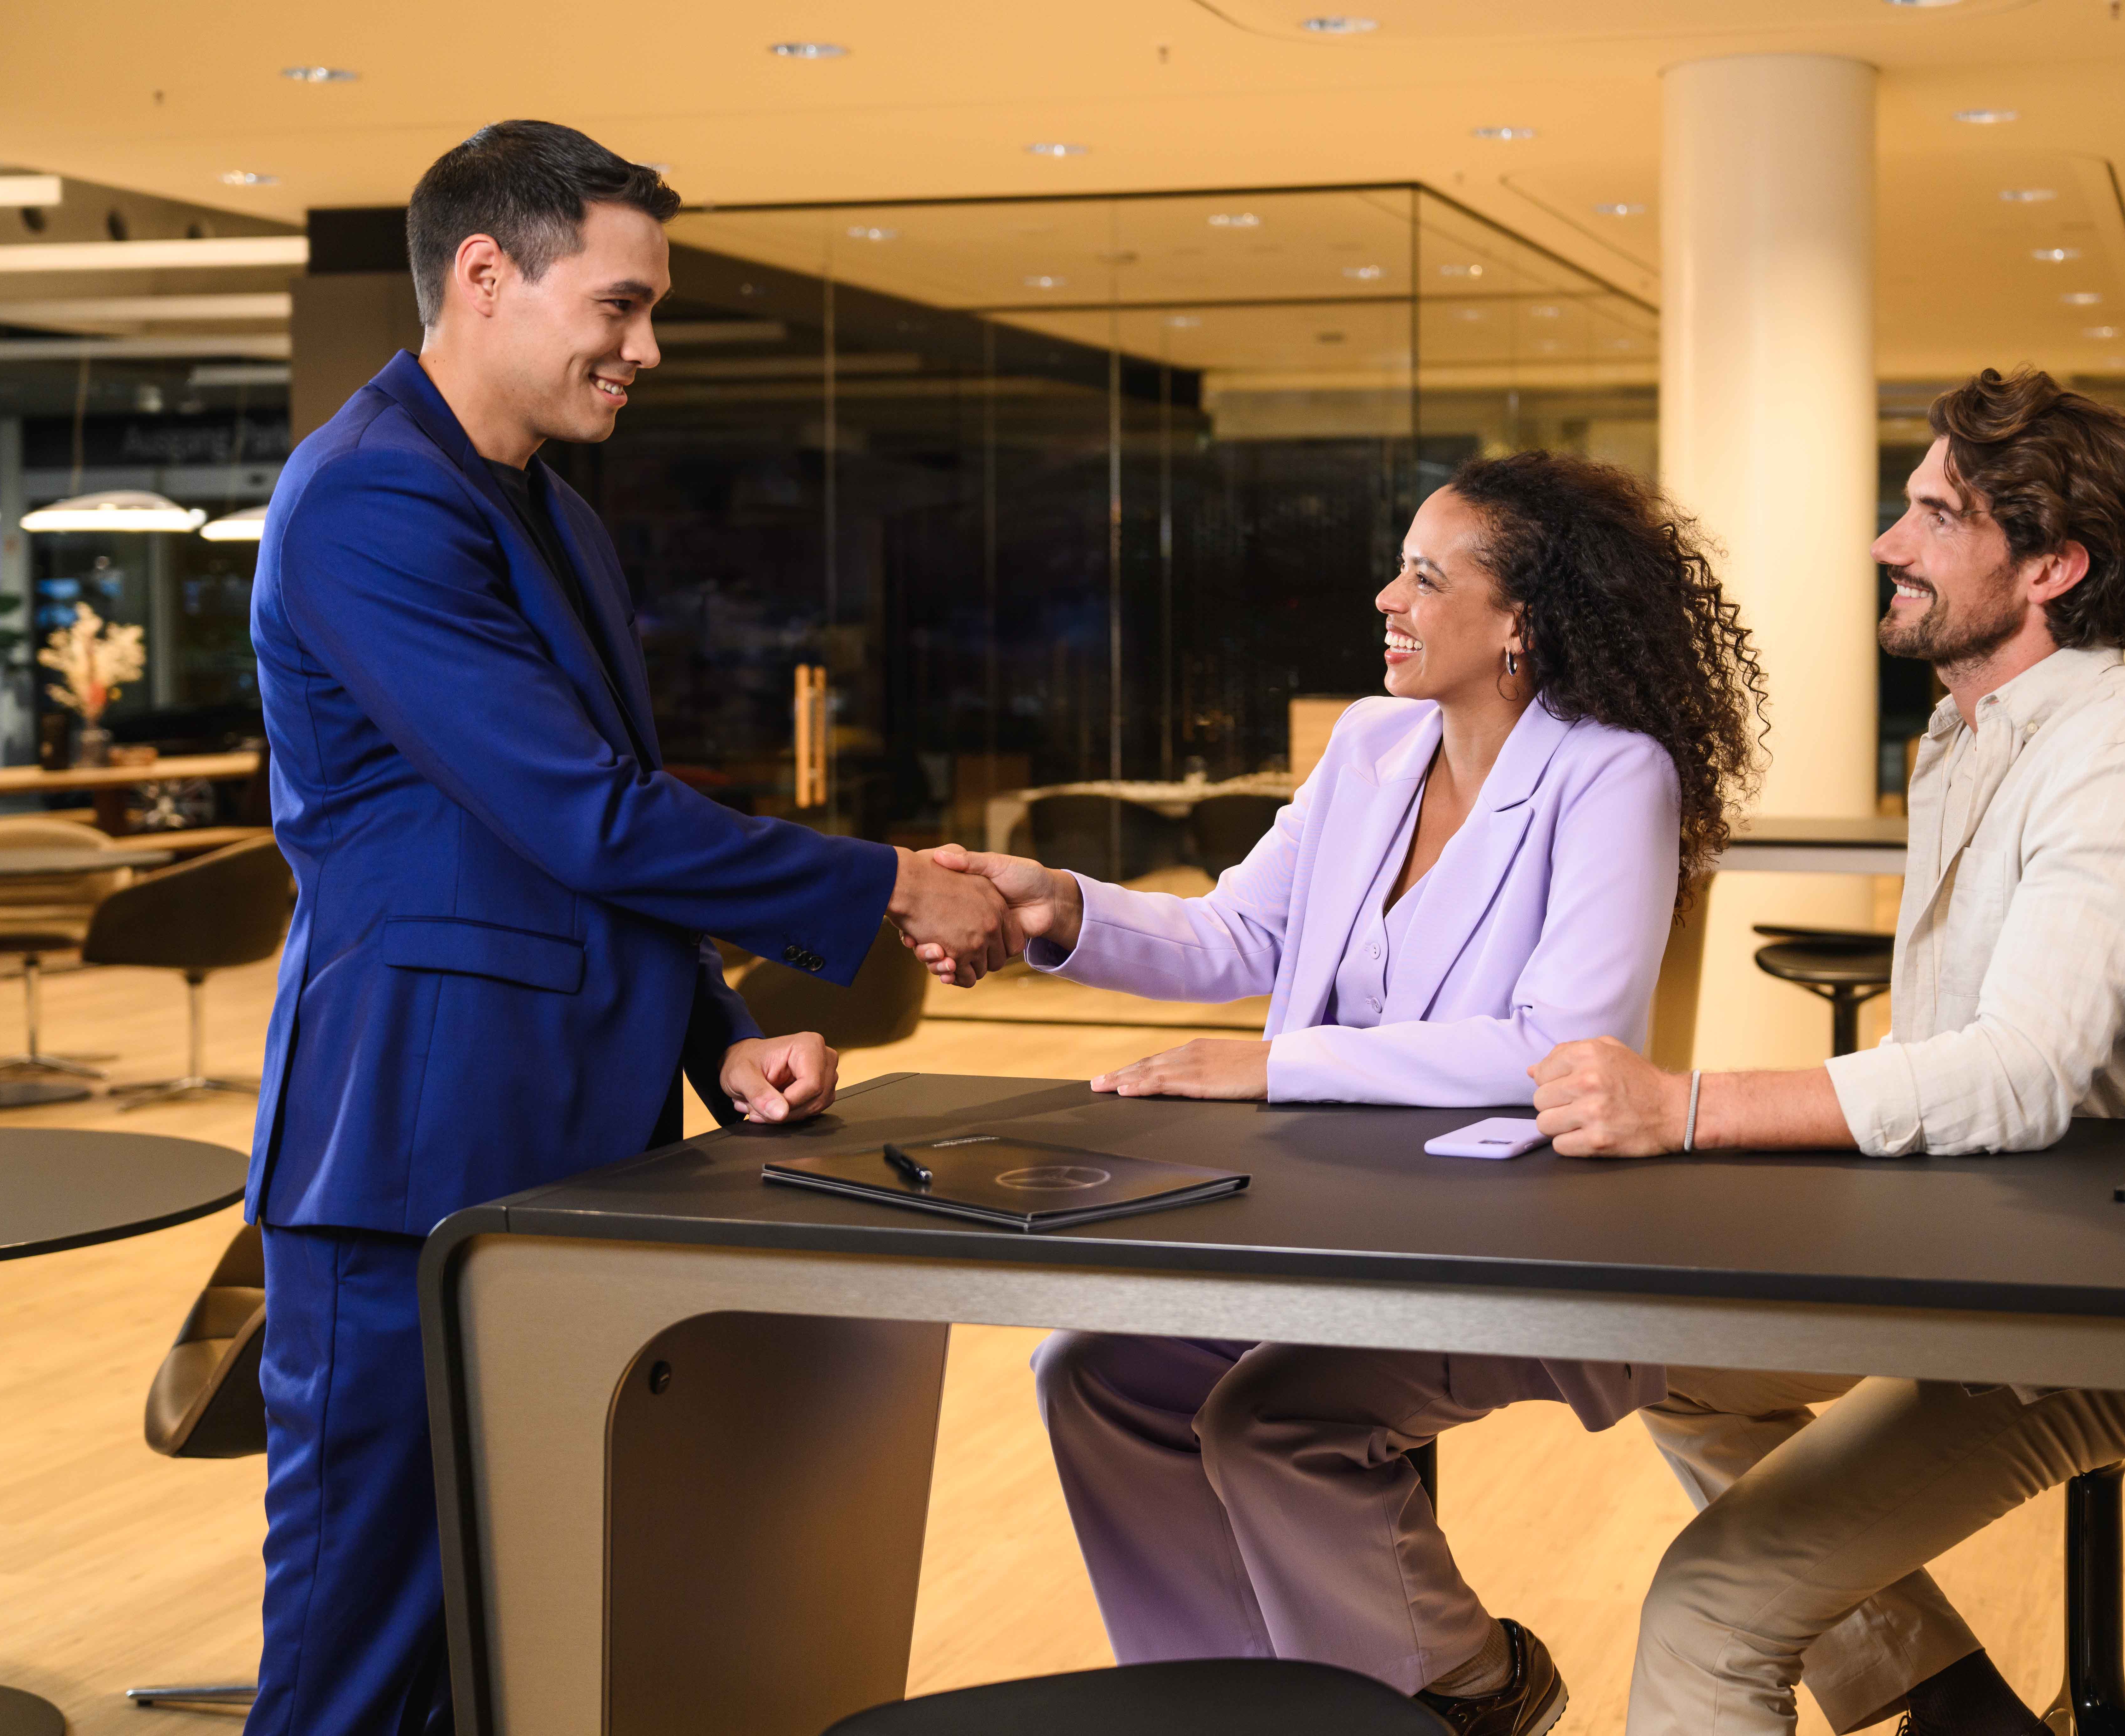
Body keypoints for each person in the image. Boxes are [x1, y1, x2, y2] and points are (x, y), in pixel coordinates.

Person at [243, 121, 1009, 1736]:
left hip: (572, 1149)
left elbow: (590, 849)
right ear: (483, 275)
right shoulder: (368, 500)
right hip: (405, 1156)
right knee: (360, 1664)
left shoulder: (554, 518)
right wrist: (889, 885)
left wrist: (727, 1043)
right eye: (620, 304)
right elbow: (582, 811)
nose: (645, 347)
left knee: (524, 1643)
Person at [924, 452, 1767, 1735]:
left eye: (1427, 577)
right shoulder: (1374, 745)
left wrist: (1278, 1064)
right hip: (1324, 1209)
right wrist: (1060, 900)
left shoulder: (1612, 774)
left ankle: (1461, 1686)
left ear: (1521, 623)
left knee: (1271, 1419)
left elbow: (1563, 1042)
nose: (1388, 596)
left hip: (1512, 1230)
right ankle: (1229, 1702)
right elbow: (1232, 939)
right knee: (1091, 1374)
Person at [1530, 368, 2125, 1736]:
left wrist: (1685, 1106)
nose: (1891, 542)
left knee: (1708, 1608)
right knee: (1661, 1362)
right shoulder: (1965, 730)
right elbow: (1951, 1060)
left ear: (2052, 566)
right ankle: (1950, 1703)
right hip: (1999, 1250)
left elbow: (2013, 1073)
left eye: (1936, 516)